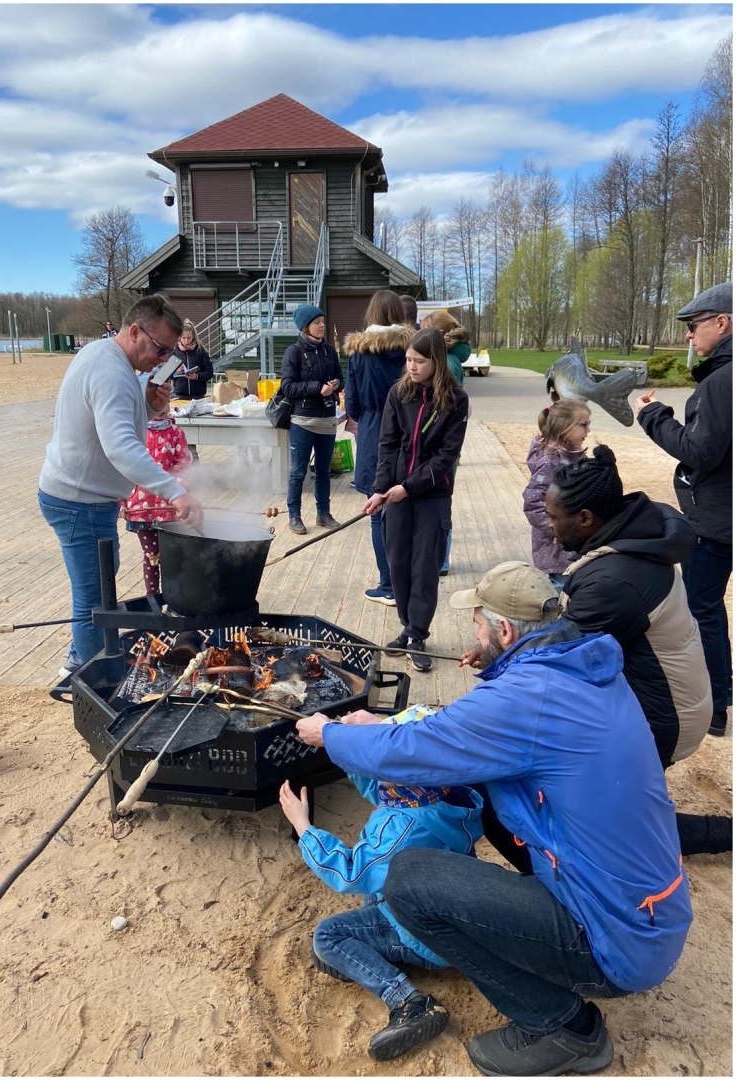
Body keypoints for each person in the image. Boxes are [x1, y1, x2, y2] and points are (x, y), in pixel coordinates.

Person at [296, 563, 688, 1076]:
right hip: (647, 912)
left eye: (479, 626)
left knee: (409, 879)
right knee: (480, 784)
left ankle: (563, 1028)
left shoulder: (527, 700)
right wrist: (490, 669)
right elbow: (468, 731)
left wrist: (332, 736)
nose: (474, 635)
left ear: (506, 631)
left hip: (614, 938)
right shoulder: (580, 670)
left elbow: (418, 748)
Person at [540, 447, 731, 855]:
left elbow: (557, 659)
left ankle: (723, 834)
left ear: (586, 519)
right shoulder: (637, 531)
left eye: (554, 517)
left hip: (666, 718)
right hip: (667, 697)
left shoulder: (615, 580)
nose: (548, 524)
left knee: (609, 824)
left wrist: (497, 652)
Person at [281, 747, 483, 1061]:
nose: (376, 772)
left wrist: (303, 826)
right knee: (377, 887)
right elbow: (377, 785)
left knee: (327, 937)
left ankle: (409, 1002)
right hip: (447, 912)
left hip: (424, 936)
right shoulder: (439, 798)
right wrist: (338, 743)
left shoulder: (402, 830)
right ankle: (372, 952)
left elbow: (349, 872)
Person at [38, 293, 196, 677]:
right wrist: (175, 491)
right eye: (160, 349)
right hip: (81, 501)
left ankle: (79, 662)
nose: (162, 361)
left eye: (169, 354)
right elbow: (122, 447)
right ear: (135, 331)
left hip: (81, 496)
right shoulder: (111, 371)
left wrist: (150, 405)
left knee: (95, 593)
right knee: (95, 603)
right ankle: (97, 678)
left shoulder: (108, 359)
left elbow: (114, 422)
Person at [636, 280, 731, 737]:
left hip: (717, 516)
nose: (690, 336)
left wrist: (654, 417)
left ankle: (714, 706)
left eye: (694, 327)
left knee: (701, 607)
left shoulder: (721, 382)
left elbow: (700, 451)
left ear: (722, 322)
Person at [363, 329, 469, 671]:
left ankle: (418, 634)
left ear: (435, 361)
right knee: (398, 564)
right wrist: (380, 490)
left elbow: (445, 456)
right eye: (408, 360)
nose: (411, 366)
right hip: (396, 493)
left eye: (419, 361)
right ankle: (407, 628)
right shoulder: (399, 393)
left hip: (431, 495)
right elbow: (387, 444)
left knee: (424, 566)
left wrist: (409, 487)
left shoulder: (455, 400)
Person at [341, 290, 413, 606]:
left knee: (377, 511)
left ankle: (388, 585)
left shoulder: (359, 353)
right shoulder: (413, 349)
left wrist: (371, 416)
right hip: (409, 432)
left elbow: (352, 404)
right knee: (406, 508)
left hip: (373, 432)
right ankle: (406, 581)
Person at [280, 302, 344, 535]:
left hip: (327, 420)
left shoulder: (329, 351)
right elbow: (287, 387)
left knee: (324, 471)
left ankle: (323, 514)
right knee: (298, 471)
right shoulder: (293, 352)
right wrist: (318, 388)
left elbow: (340, 377)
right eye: (317, 322)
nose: (322, 325)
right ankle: (294, 515)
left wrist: (336, 384)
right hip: (302, 421)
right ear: (305, 326)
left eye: (323, 321)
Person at [119, 399, 192, 596]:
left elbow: (183, 463)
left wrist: (178, 488)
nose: (159, 409)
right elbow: (123, 468)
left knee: (172, 554)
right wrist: (121, 500)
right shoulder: (134, 434)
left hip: (170, 507)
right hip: (141, 507)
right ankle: (153, 596)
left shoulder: (176, 433)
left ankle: (174, 595)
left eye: (163, 405)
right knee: (152, 555)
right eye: (154, 406)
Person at [419, 310, 472, 574]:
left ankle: (441, 559)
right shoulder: (451, 358)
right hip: (442, 448)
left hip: (441, 450)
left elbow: (446, 411)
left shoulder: (448, 364)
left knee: (441, 505)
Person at [522, 401, 591, 586]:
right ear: (564, 427)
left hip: (574, 542)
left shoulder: (574, 456)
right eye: (583, 425)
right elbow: (532, 501)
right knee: (562, 592)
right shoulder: (551, 461)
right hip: (557, 548)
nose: (588, 430)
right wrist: (557, 529)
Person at [169, 320, 214, 400]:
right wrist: (176, 372)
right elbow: (168, 374)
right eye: (183, 338)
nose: (186, 341)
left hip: (198, 395)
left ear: (193, 336)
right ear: (179, 336)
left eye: (189, 338)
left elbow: (209, 372)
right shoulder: (174, 351)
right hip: (180, 394)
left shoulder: (200, 350)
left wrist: (196, 376)